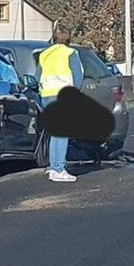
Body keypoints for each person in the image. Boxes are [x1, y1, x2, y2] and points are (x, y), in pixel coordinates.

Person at [37, 25, 84, 183]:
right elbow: (78, 76)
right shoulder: (70, 53)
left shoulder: (44, 54)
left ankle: (54, 167)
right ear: (68, 38)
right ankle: (59, 169)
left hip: (47, 96)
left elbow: (37, 76)